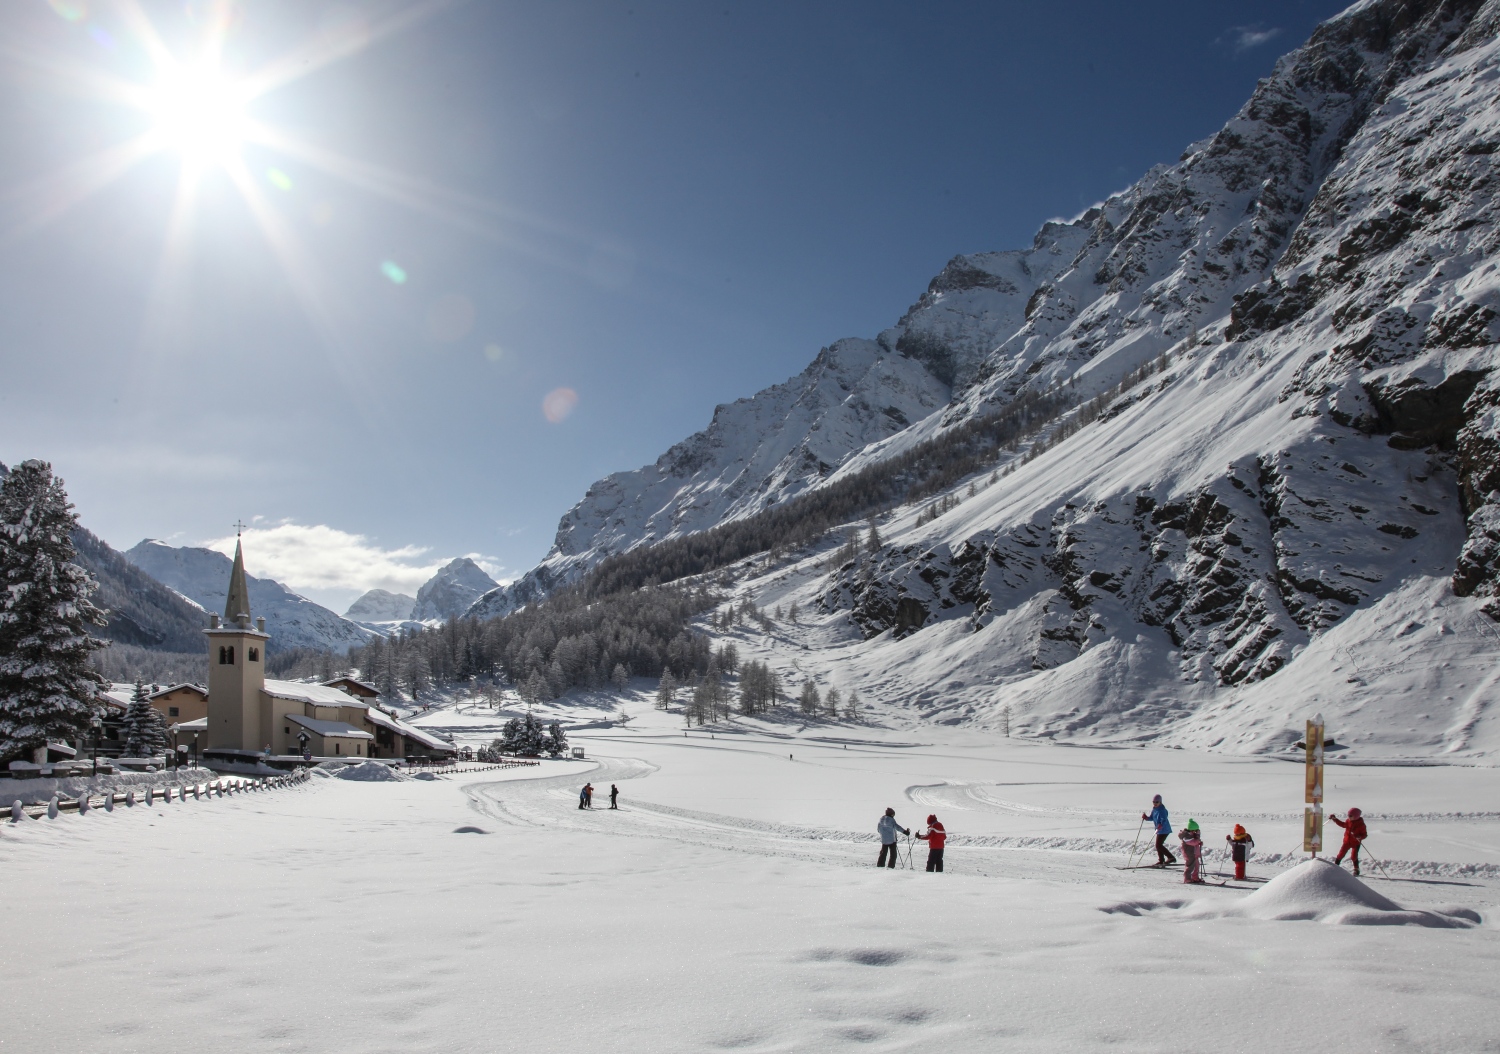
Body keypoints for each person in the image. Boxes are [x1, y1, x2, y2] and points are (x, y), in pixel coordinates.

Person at [1331, 807, 1367, 876]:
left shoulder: (1361, 825)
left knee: (1354, 856)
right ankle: (1335, 867)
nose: (1349, 817)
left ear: (1356, 816)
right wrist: (1335, 819)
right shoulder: (1348, 821)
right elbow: (1343, 825)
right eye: (1348, 815)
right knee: (1340, 854)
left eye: (1351, 816)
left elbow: (1364, 835)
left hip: (1355, 843)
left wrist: (1360, 837)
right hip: (1346, 842)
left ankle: (1356, 869)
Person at [1143, 794, 1175, 867]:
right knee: (1158, 845)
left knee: (1158, 845)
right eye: (1154, 802)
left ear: (1160, 802)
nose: (1155, 803)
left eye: (1157, 802)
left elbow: (1164, 819)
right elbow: (1152, 818)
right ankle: (1161, 860)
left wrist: (1161, 824)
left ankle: (1170, 857)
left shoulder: (1162, 810)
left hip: (1164, 829)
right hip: (1159, 830)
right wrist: (1146, 818)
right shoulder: (1154, 809)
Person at [1179, 819, 1204, 884]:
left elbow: (1195, 842)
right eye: (1195, 831)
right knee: (1190, 866)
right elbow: (1192, 842)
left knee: (1196, 866)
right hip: (1189, 853)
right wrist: (1197, 839)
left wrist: (1199, 842)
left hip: (1194, 853)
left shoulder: (1192, 835)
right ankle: (1187, 878)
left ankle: (1195, 877)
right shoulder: (1186, 836)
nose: (1196, 832)